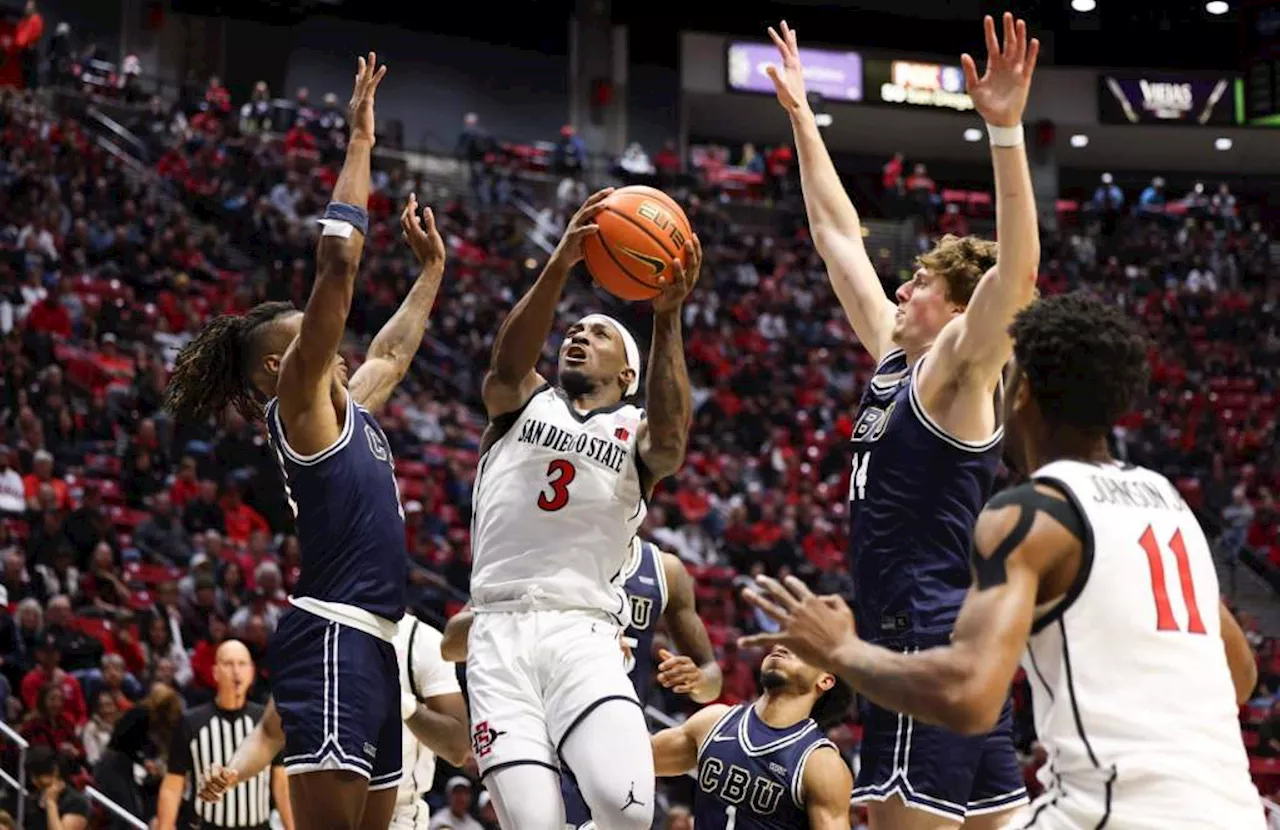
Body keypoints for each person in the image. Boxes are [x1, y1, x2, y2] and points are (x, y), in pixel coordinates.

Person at [741, 293, 1267, 830]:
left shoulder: (1030, 511)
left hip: (1111, 814)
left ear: (1023, 393)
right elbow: (1241, 676)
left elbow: (967, 696)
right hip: (1238, 812)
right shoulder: (1168, 501)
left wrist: (843, 649)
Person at [764, 14, 1041, 828]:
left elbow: (1016, 275)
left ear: (957, 307)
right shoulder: (895, 354)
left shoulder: (959, 369)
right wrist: (798, 117)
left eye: (918, 279)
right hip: (927, 639)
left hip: (923, 637)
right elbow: (834, 233)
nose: (901, 288)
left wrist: (1005, 131)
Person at [163, 53, 447, 830]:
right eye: (317, 337)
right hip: (333, 635)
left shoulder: (346, 407)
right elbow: (339, 262)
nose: (338, 342)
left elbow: (389, 354)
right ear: (284, 364)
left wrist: (431, 274)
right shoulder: (299, 407)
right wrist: (360, 141)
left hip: (378, 645)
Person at [466, 189, 700, 830]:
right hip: (498, 632)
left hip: (582, 632)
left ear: (629, 374)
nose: (579, 335)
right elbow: (507, 361)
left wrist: (667, 317)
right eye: (574, 330)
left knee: (628, 812)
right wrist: (563, 261)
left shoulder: (637, 430)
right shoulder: (520, 404)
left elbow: (674, 442)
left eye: (599, 334)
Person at [441, 536, 723, 829]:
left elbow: (712, 681)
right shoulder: (534, 548)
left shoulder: (664, 569)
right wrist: (522, 612)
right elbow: (450, 645)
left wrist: (698, 679)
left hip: (615, 745)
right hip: (542, 739)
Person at [649, 645, 852, 830]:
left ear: (825, 680)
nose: (782, 645)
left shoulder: (821, 763)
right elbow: (635, 760)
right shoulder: (714, 721)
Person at [155, 641, 294, 830]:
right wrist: (165, 826)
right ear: (215, 672)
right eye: (228, 664)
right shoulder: (192, 722)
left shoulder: (266, 721)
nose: (236, 671)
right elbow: (173, 784)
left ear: (252, 672)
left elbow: (281, 784)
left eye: (242, 664)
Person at [391, 612, 470, 830]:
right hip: (320, 801)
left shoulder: (419, 638)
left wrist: (400, 700)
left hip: (397, 810)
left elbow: (457, 750)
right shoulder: (313, 624)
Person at [13, 746, 88, 830]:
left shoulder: (76, 802)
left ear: (55, 771)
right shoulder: (33, 800)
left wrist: (51, 803)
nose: (34, 782)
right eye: (32, 776)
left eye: (38, 776)